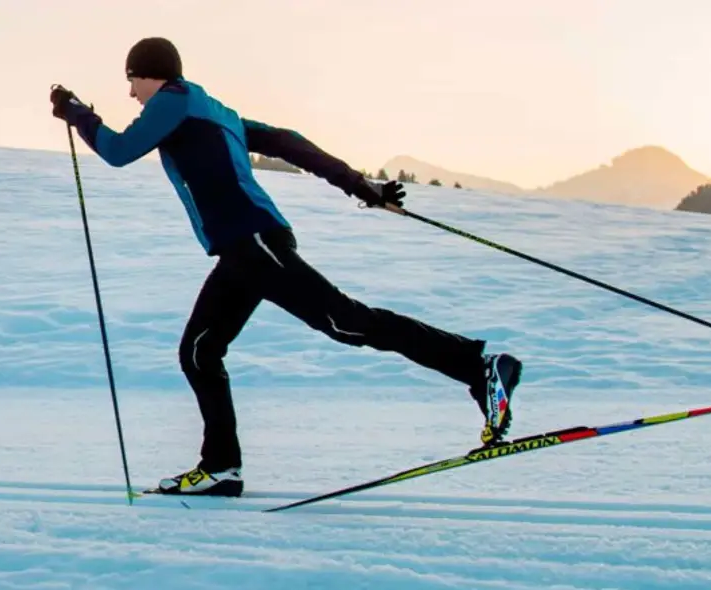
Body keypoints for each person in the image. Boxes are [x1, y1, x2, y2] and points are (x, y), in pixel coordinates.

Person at [49, 37, 523, 497]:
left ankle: (478, 367)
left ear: (147, 75)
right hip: (243, 250)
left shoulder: (172, 101)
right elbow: (288, 143)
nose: (131, 94)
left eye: (132, 82)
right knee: (200, 351)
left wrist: (75, 111)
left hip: (252, 243)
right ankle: (221, 469)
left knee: (344, 321)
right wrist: (361, 187)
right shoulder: (213, 110)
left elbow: (116, 150)